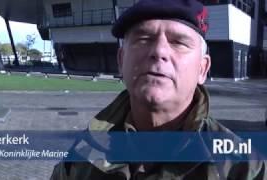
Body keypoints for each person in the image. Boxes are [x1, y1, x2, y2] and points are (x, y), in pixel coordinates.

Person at [51, 0, 266, 179]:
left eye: (179, 42)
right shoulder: (83, 153)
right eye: (144, 38)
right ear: (121, 61)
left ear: (203, 68)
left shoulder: (244, 167)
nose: (159, 51)